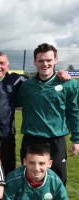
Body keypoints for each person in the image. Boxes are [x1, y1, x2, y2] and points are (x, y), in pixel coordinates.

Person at [17, 43, 79, 185]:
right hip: (31, 139)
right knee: (29, 179)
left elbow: (74, 111)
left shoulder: (69, 84)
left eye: (49, 60)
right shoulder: (26, 86)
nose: (45, 64)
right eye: (41, 61)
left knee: (58, 179)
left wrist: (76, 139)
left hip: (56, 140)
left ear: (55, 60)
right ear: (34, 62)